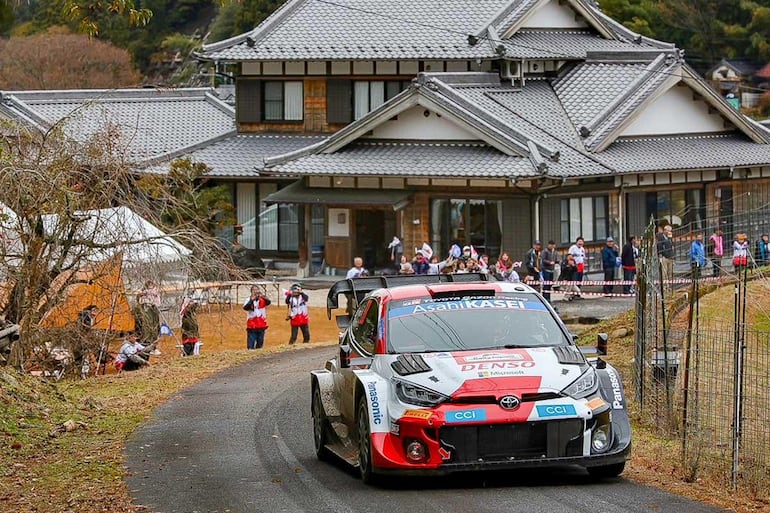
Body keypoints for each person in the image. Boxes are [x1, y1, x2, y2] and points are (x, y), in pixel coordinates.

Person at [244, 285, 271, 350]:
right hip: (252, 325)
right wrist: (251, 300)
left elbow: (268, 302)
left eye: (257, 290)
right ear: (251, 292)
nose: (256, 291)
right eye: (254, 290)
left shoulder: (262, 300)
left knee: (260, 343)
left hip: (261, 324)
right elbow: (246, 307)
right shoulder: (248, 299)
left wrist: (263, 296)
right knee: (251, 344)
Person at [137, 280, 162, 348]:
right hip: (147, 309)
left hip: (154, 308)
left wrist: (154, 303)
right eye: (149, 285)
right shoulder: (143, 292)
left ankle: (154, 340)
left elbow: (158, 301)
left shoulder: (156, 291)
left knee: (154, 324)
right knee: (148, 324)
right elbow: (140, 301)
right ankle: (148, 341)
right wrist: (143, 296)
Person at [657, 225, 675, 293]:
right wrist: (663, 255)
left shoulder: (669, 238)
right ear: (665, 231)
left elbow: (672, 246)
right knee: (664, 273)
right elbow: (660, 247)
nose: (670, 232)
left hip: (670, 257)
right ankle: (664, 287)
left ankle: (669, 287)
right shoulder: (661, 238)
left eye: (670, 231)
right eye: (669, 231)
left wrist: (670, 239)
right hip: (664, 257)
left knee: (670, 273)